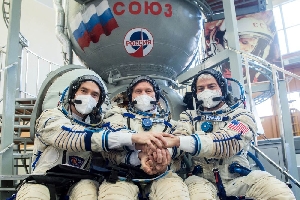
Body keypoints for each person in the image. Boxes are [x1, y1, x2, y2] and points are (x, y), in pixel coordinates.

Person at [16, 74, 170, 200]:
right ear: (72, 94)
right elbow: (71, 137)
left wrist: (143, 153)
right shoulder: (50, 117)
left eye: (94, 94)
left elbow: (115, 135)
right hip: (44, 178)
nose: (88, 97)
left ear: (98, 101)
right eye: (84, 91)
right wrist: (134, 138)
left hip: (80, 180)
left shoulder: (99, 125)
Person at [161, 68, 296, 199]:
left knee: (278, 192)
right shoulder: (189, 117)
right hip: (202, 181)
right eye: (201, 89)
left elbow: (230, 140)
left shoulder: (241, 115)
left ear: (222, 89)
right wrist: (166, 153)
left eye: (211, 86)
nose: (206, 91)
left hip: (238, 179)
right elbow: (179, 136)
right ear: (195, 93)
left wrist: (185, 141)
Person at [99, 75, 190, 200]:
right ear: (131, 96)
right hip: (122, 175)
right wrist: (137, 156)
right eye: (138, 91)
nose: (143, 95)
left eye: (148, 91)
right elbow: (111, 135)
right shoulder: (117, 115)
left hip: (163, 174)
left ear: (156, 96)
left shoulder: (171, 123)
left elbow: (181, 142)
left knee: (176, 195)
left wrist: (162, 157)